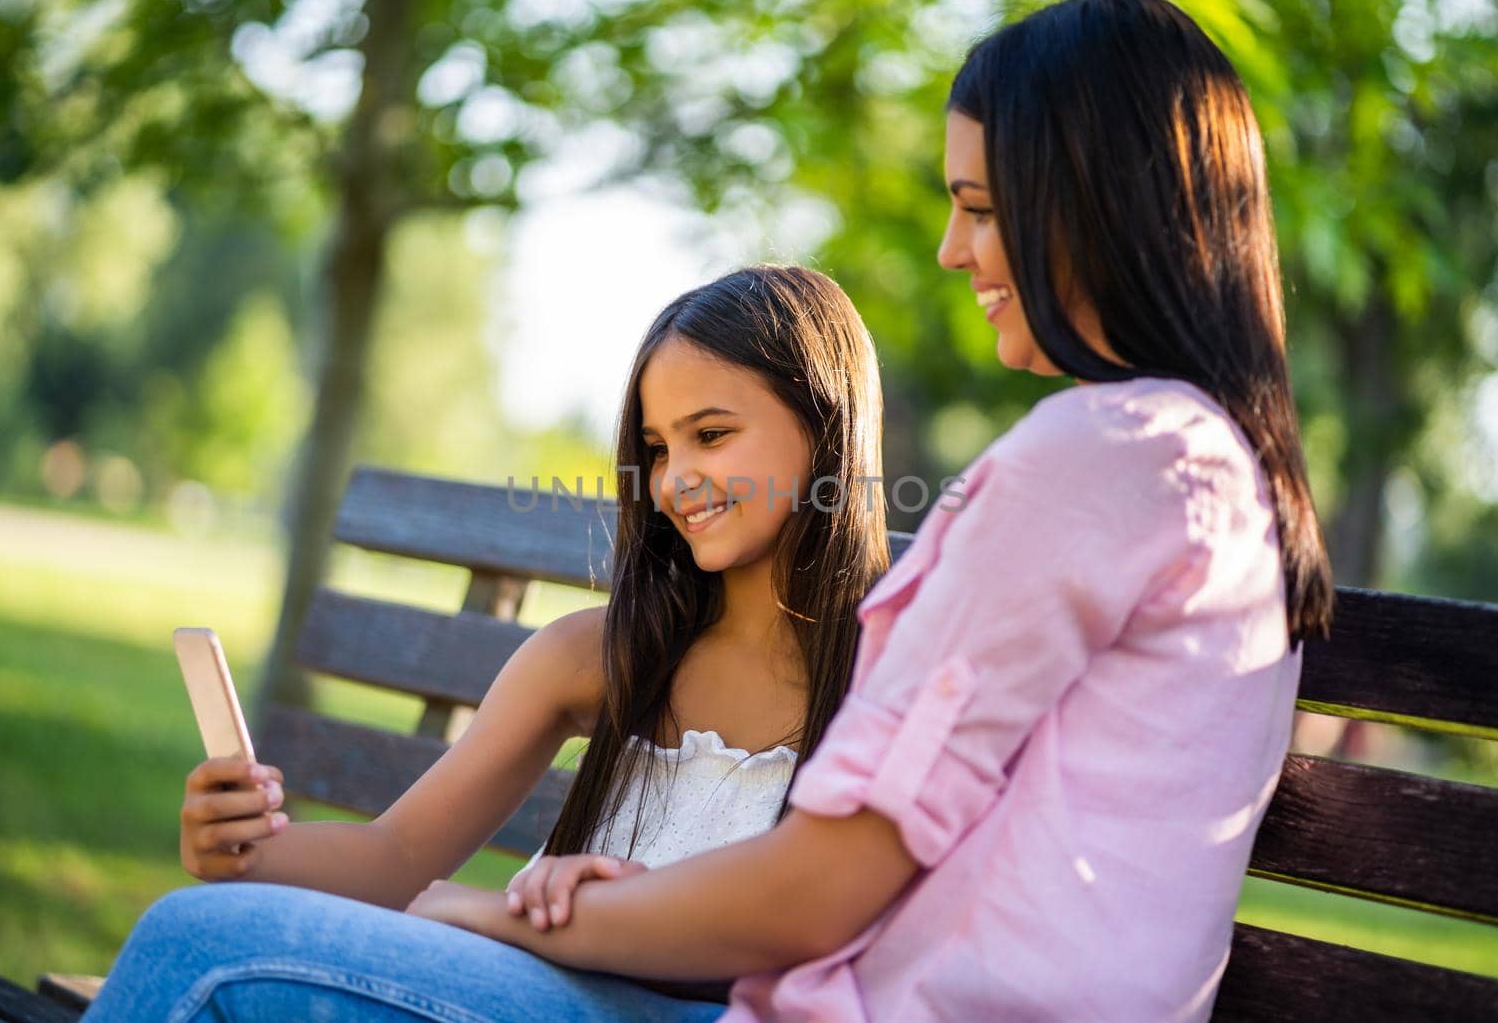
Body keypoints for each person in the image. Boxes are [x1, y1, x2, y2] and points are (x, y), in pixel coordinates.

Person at [414, 0, 1335, 1023]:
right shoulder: (1217, 475)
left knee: (206, 942)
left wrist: (501, 913)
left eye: (981, 208)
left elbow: (818, 890)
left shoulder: (1105, 454)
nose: (951, 248)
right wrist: (651, 902)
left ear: (1091, 204)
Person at [80, 264, 891, 1022]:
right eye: (657, 447)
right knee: (201, 922)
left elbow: (819, 930)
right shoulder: (601, 654)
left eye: (710, 435)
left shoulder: (892, 672)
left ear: (825, 426)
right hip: (524, 981)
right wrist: (247, 855)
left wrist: (522, 915)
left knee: (198, 945)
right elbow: (396, 853)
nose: (675, 478)